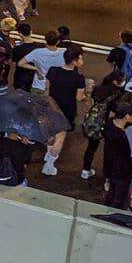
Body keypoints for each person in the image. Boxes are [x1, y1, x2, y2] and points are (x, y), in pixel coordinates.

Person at [41, 48, 87, 177]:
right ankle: (49, 164)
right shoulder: (78, 78)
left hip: (51, 106)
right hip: (66, 109)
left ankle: (48, 153)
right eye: (81, 58)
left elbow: (47, 90)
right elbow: (79, 97)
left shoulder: (53, 71)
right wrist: (85, 96)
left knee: (50, 133)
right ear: (74, 61)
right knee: (60, 137)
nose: (82, 61)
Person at [103, 102, 132, 209]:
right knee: (119, 197)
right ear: (127, 116)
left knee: (111, 193)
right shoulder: (123, 137)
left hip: (109, 168)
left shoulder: (109, 125)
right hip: (123, 171)